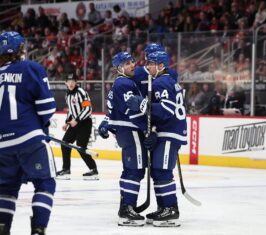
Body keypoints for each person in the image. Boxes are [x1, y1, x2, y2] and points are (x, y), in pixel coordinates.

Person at [0, 31, 56, 235]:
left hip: (1, 146)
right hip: (30, 139)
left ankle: (2, 227)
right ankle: (38, 229)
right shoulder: (31, 68)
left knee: (5, 190)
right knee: (45, 182)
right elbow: (46, 109)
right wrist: (41, 129)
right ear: (20, 49)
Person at [127, 51, 187, 227]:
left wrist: (144, 105)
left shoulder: (161, 82)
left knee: (162, 171)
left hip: (169, 133)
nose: (148, 66)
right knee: (157, 171)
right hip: (168, 132)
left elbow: (167, 110)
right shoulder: (167, 81)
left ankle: (171, 209)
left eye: (152, 63)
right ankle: (163, 208)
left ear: (161, 66)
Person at [98, 52, 148, 226]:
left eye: (132, 61)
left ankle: (126, 206)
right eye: (127, 63)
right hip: (131, 132)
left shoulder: (119, 83)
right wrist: (148, 129)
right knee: (135, 170)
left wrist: (107, 124)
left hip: (124, 132)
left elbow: (113, 111)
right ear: (119, 67)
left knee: (130, 170)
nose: (132, 65)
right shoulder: (125, 84)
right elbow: (133, 110)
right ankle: (127, 209)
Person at [56, 73, 98, 180]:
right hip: (74, 123)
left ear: (76, 82)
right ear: (65, 83)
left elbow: (88, 109)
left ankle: (93, 170)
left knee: (80, 147)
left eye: (72, 81)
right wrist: (67, 122)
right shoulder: (67, 95)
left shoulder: (82, 93)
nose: (70, 83)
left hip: (84, 123)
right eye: (68, 81)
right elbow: (71, 110)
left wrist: (77, 120)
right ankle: (66, 169)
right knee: (65, 143)